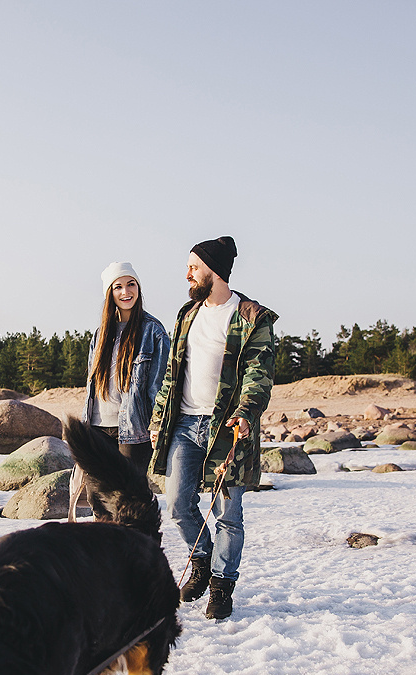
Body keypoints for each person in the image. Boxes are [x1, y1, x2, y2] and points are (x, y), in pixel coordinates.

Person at [149, 236, 277, 620]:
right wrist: (159, 420)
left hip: (227, 426)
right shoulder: (187, 314)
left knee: (228, 513)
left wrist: (246, 412)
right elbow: (172, 373)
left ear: (214, 270)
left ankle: (222, 586)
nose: (187, 273)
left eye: (193, 266)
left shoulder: (252, 317)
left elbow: (260, 372)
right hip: (185, 424)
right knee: (176, 504)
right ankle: (201, 560)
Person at [81, 262, 170, 473]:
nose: (126, 292)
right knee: (98, 499)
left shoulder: (153, 332)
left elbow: (159, 387)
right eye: (118, 287)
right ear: (109, 293)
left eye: (131, 284)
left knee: (127, 500)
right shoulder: (100, 334)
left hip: (133, 430)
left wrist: (158, 425)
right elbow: (91, 387)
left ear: (138, 288)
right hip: (97, 428)